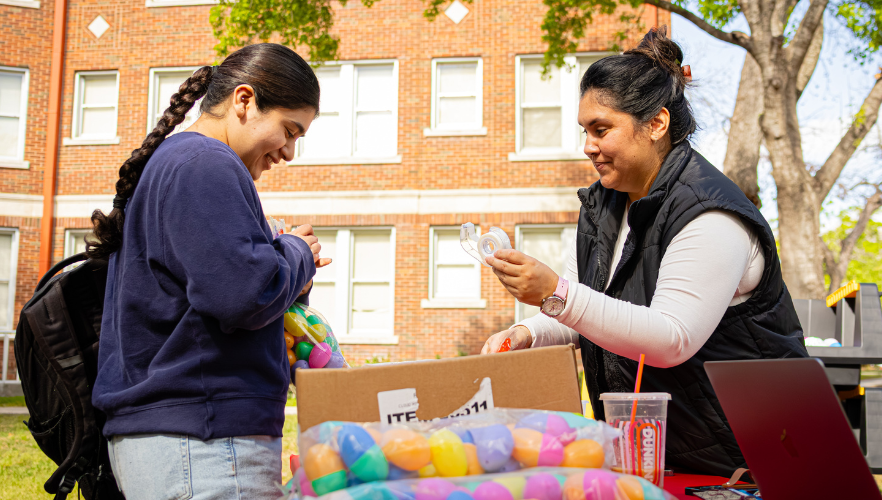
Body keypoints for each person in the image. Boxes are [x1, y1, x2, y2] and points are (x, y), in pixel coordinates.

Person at [481, 27, 808, 477]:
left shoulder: (710, 213)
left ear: (656, 124)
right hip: (655, 459)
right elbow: (590, 313)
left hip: (741, 465)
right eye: (585, 130)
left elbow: (670, 338)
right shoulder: (604, 207)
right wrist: (528, 333)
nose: (588, 146)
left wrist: (554, 293)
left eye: (602, 129)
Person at [89, 43, 327, 499]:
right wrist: (297, 252)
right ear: (244, 100)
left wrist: (279, 259)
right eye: (288, 130)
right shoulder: (206, 164)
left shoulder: (179, 163)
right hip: (203, 440)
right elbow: (244, 294)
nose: (290, 152)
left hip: (182, 441)